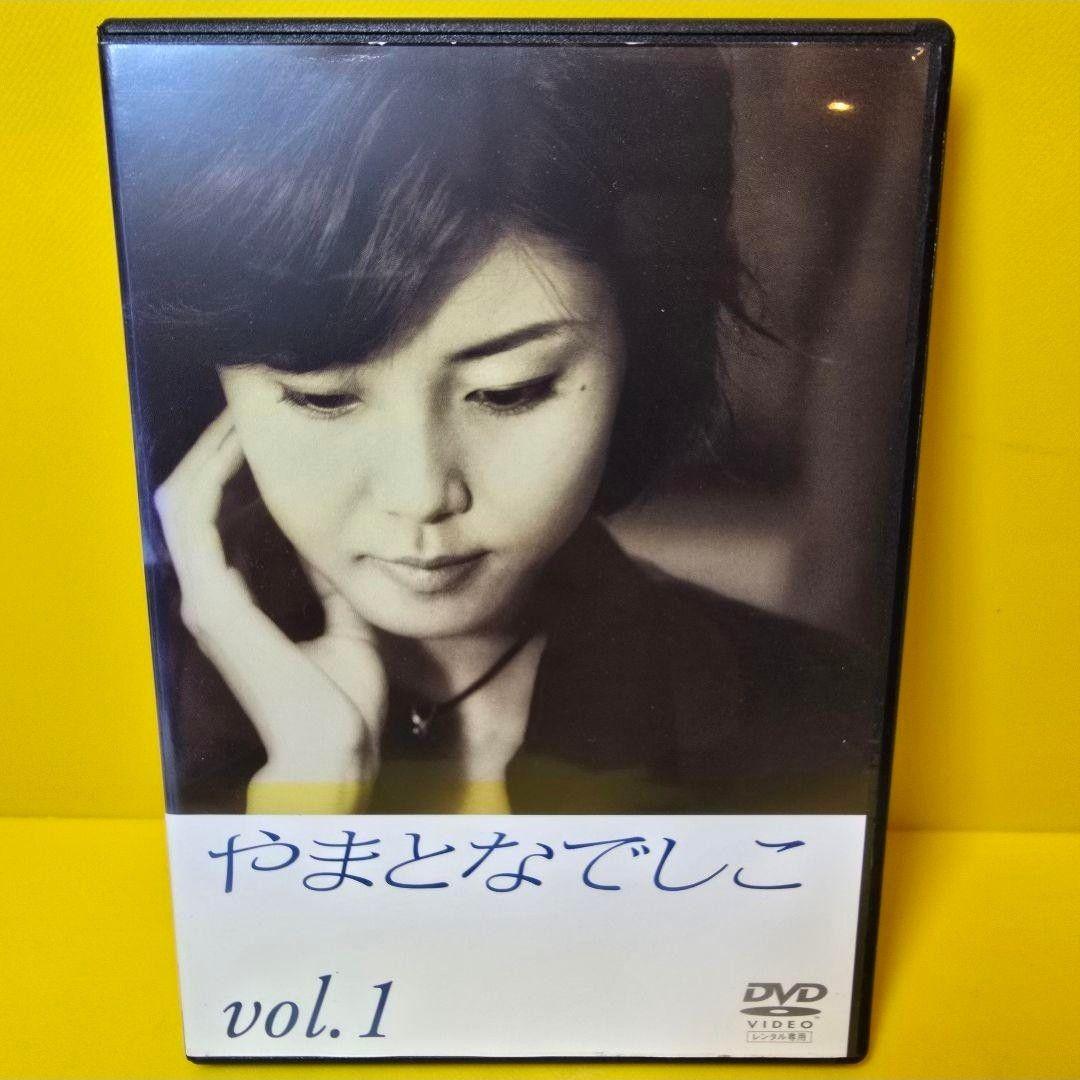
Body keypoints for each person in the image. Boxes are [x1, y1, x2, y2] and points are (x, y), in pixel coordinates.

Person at [118, 45, 879, 815]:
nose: (420, 494)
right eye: (323, 399)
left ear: (639, 352)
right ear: (213, 383)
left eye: (509, 391)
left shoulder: (829, 718)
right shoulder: (84, 695)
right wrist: (306, 794)